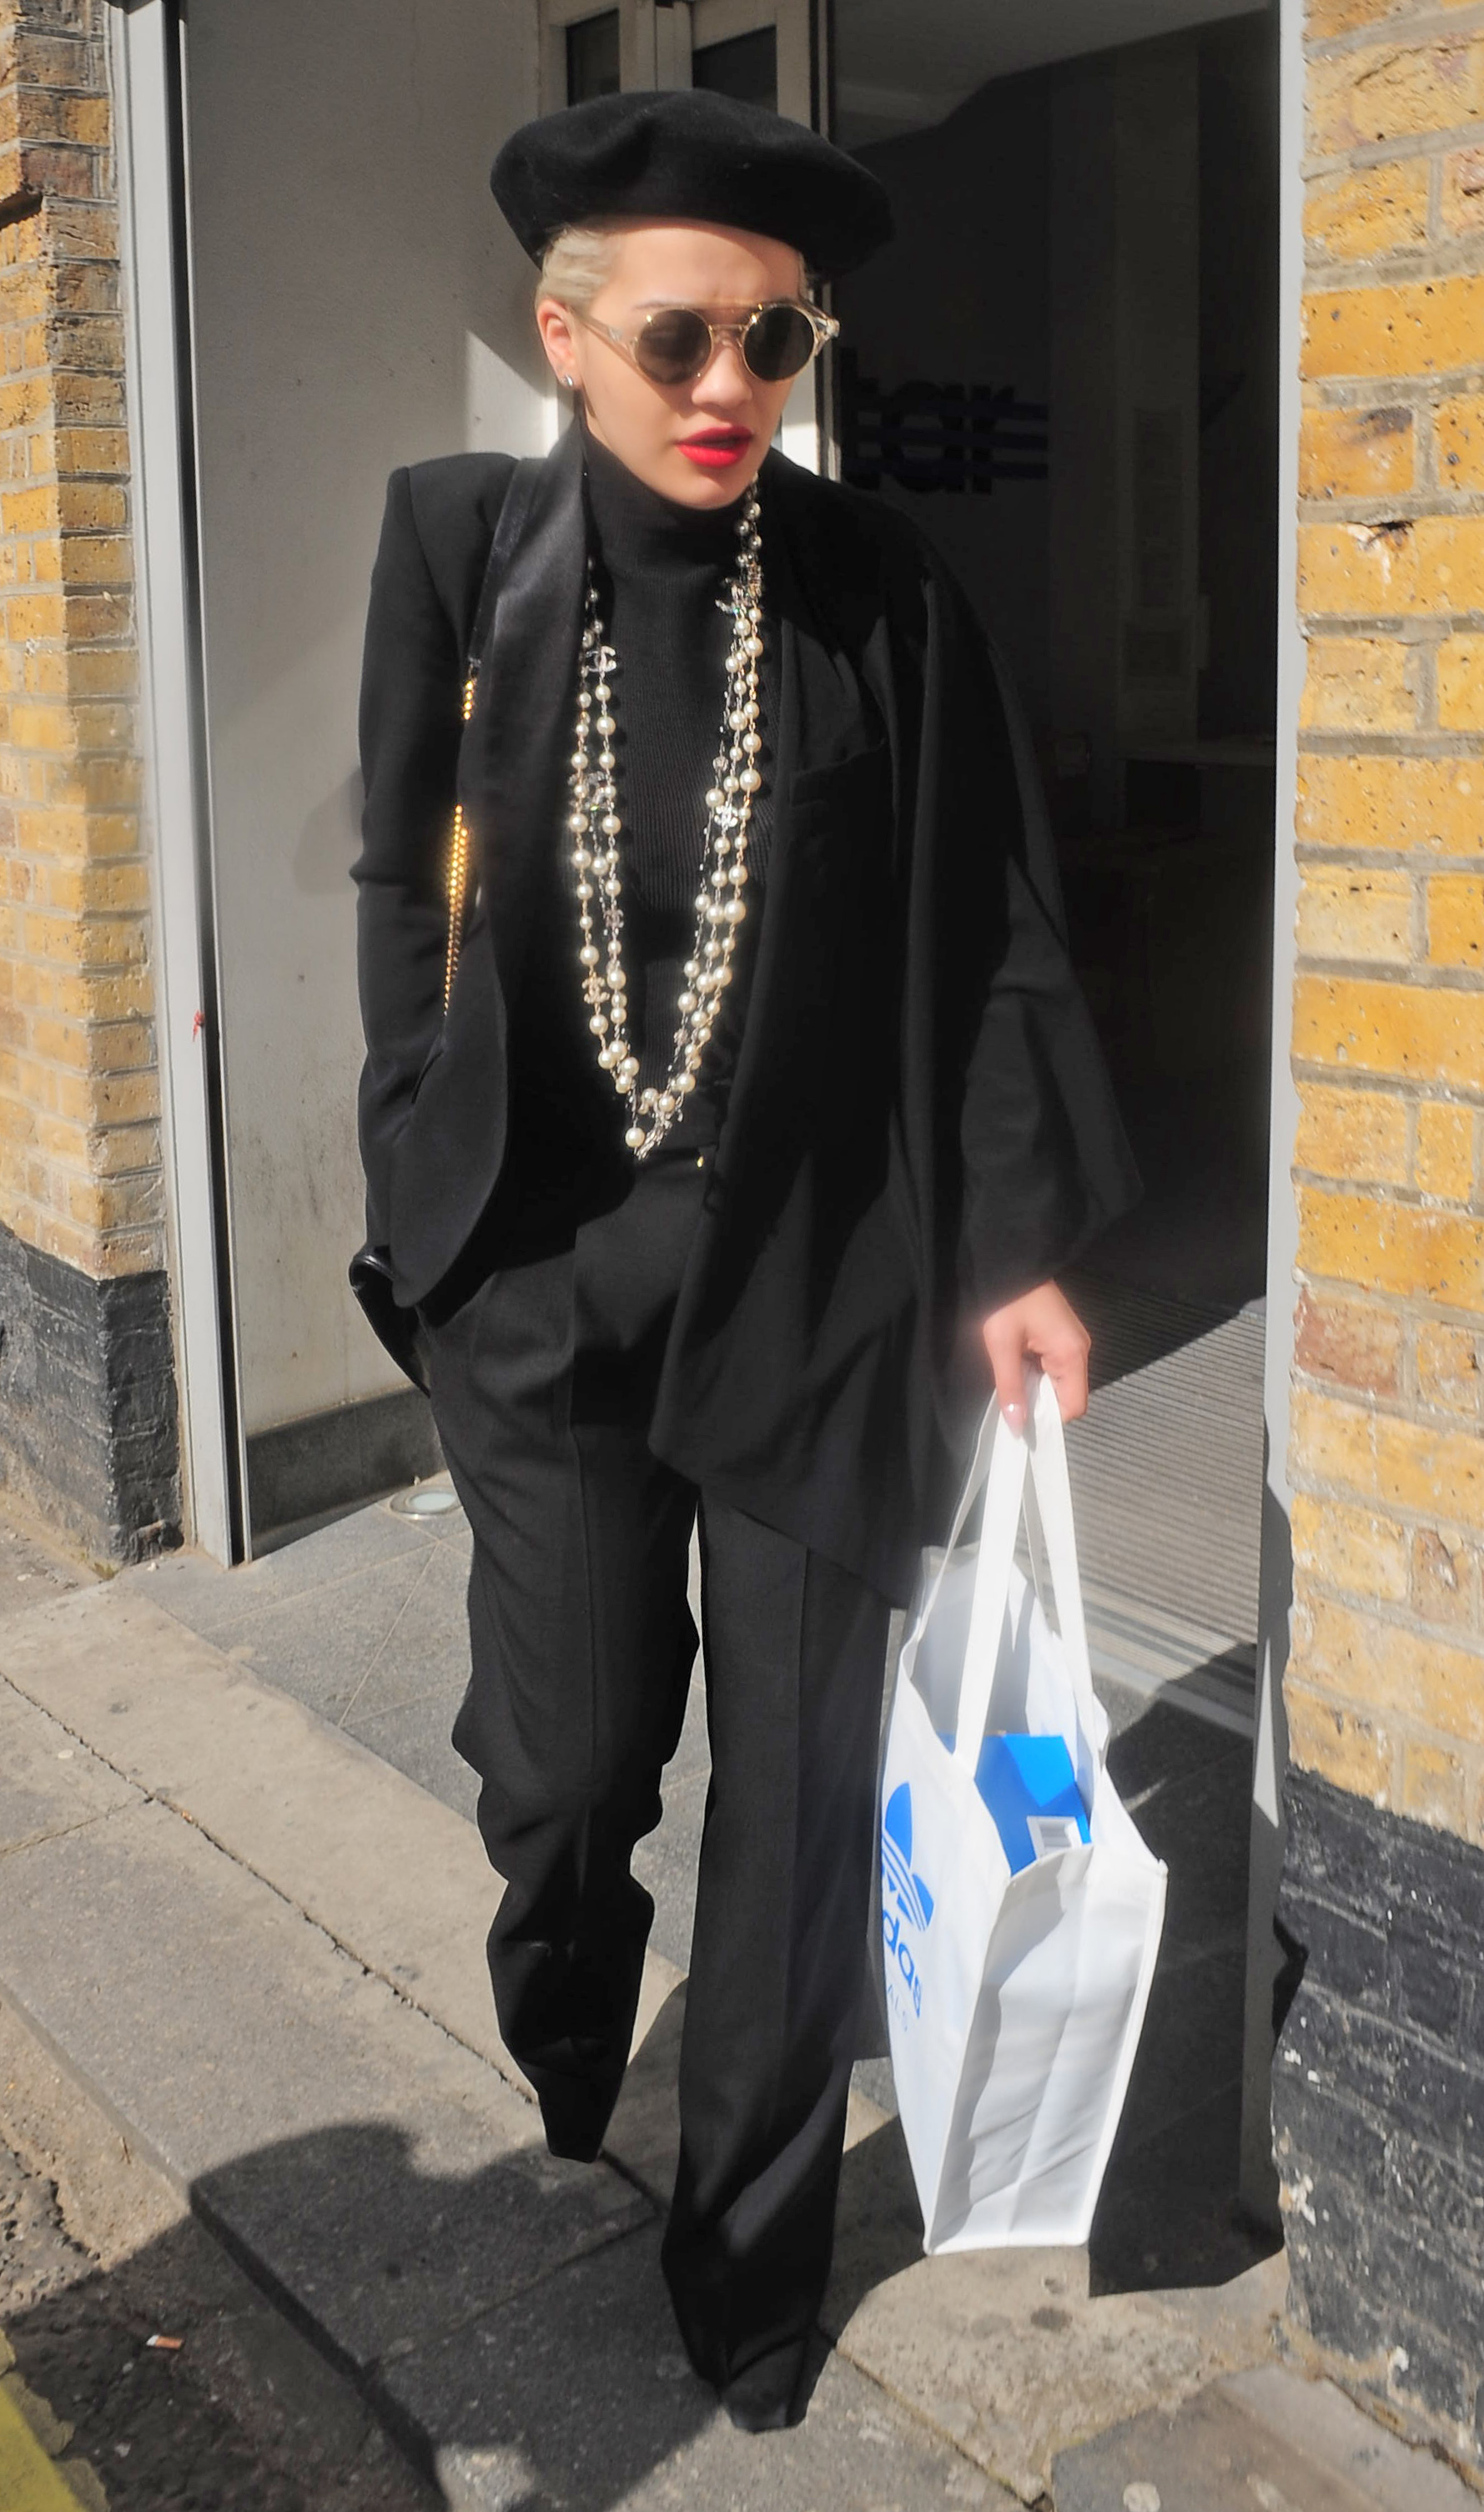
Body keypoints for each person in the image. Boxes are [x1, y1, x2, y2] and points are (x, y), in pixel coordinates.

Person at [350, 87, 1138, 2432]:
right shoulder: (456, 548)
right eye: (680, 337)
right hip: (541, 1283)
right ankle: (567, 1987)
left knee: (796, 1815)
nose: (730, 386)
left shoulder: (877, 585)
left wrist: (1015, 1245)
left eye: (774, 339)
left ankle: (753, 2274)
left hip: (817, 1273)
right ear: (564, 334)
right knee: (570, 1759)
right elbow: (395, 873)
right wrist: (408, 1146)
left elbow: (990, 926)